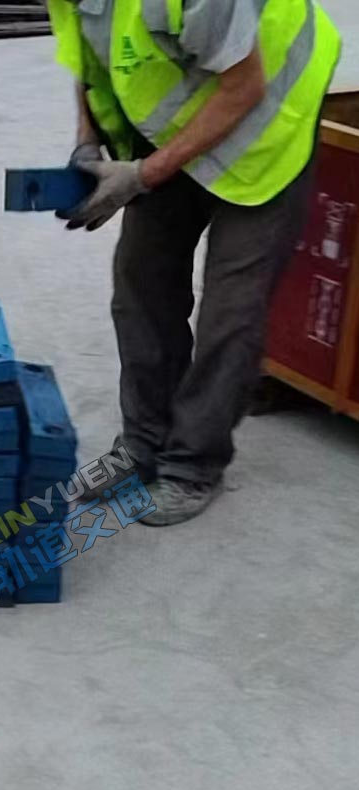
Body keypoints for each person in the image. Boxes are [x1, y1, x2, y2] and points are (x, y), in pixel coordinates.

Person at [49, 0, 340, 525]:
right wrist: (87, 145)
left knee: (231, 313)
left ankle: (193, 466)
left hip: (266, 131)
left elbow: (244, 86)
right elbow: (91, 61)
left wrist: (141, 176)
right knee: (141, 285)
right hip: (180, 124)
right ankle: (143, 444)